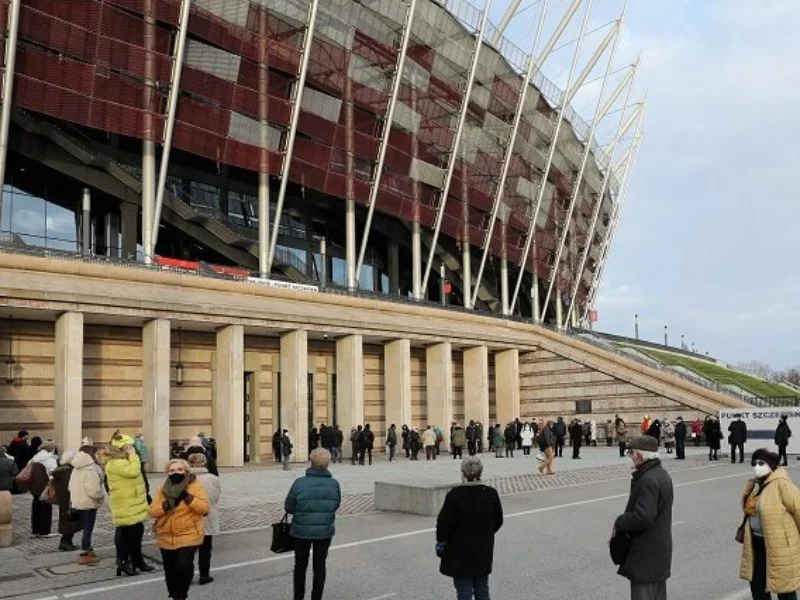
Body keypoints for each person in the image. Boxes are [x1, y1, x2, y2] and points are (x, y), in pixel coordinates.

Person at [611, 435, 673, 600]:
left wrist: (620, 521)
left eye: (631, 453)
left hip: (646, 552)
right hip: (658, 549)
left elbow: (644, 517)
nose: (630, 457)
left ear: (639, 455)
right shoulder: (661, 474)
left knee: (644, 594)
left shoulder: (647, 479)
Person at [436, 457, 504, 600]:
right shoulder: (490, 493)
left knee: (464, 588)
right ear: (481, 473)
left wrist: (442, 542)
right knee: (482, 586)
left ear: (463, 474)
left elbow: (443, 524)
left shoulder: (455, 495)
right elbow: (498, 520)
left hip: (459, 549)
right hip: (483, 548)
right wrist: (486, 533)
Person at [738, 448, 800, 600]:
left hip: (780, 545)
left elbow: (798, 509)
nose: (757, 466)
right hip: (756, 542)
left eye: (761, 463)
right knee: (757, 585)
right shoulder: (755, 485)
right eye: (754, 463)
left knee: (784, 587)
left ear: (771, 465)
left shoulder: (782, 485)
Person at [149, 459, 210, 600]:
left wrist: (188, 498)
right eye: (172, 471)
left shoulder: (195, 486)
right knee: (170, 570)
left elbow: (204, 508)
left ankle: (181, 596)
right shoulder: (162, 488)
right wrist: (166, 505)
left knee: (183, 565)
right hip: (166, 534)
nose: (175, 473)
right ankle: (174, 594)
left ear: (186, 471)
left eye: (179, 470)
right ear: (167, 473)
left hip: (189, 533)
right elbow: (152, 511)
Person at [285, 448, 341, 600]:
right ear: (328, 464)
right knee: (320, 566)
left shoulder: (299, 483)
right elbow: (335, 505)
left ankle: (298, 597)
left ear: (311, 462)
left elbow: (289, 507)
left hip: (301, 531)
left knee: (300, 566)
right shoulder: (334, 484)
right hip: (324, 531)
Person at [105, 434, 152, 576]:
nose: (132, 449)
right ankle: (123, 561)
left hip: (133, 501)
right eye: (129, 447)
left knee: (137, 531)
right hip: (125, 502)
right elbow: (133, 472)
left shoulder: (125, 460)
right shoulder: (116, 462)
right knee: (125, 532)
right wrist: (133, 456)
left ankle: (137, 560)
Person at [187, 453, 220, 585]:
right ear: (205, 463)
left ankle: (187, 576)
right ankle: (204, 575)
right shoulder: (213, 478)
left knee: (189, 549)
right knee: (205, 548)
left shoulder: (186, 478)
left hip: (190, 516)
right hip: (207, 514)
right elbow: (216, 497)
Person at [68, 444, 104, 565]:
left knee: (85, 528)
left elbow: (69, 487)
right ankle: (85, 553)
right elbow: (94, 491)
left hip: (77, 502)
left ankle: (88, 551)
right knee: (88, 529)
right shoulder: (91, 470)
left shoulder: (76, 468)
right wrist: (101, 496)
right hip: (88, 504)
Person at [51, 450, 83, 551]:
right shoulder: (67, 471)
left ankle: (66, 542)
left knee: (67, 520)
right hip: (68, 499)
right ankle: (65, 542)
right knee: (70, 520)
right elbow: (70, 485)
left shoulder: (62, 470)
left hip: (64, 499)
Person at [30, 440, 58, 537]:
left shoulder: (35, 457)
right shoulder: (50, 458)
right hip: (45, 485)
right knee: (46, 507)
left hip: (34, 486)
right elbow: (53, 473)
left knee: (36, 507)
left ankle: (36, 530)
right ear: (51, 448)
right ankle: (45, 531)